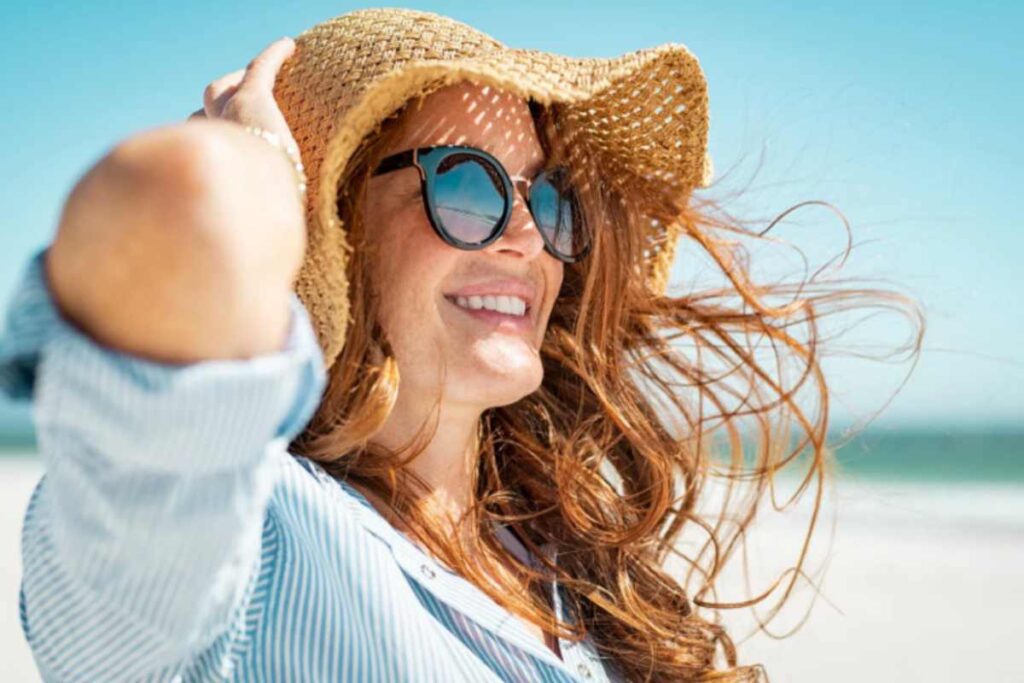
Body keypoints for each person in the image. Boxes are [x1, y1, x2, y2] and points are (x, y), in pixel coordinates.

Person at [0, 8, 921, 683]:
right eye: (468, 187)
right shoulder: (234, 544)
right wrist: (256, 170)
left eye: (545, 196)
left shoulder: (557, 562)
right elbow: (175, 195)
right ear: (333, 224)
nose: (525, 235)